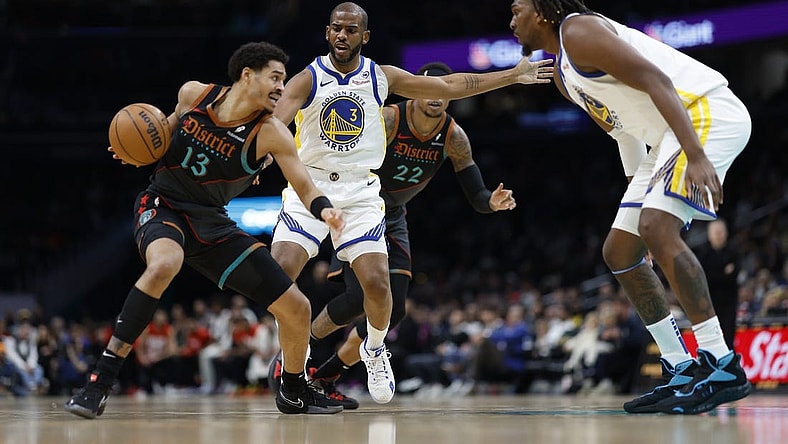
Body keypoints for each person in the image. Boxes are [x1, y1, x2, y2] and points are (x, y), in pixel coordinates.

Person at [269, 2, 550, 405]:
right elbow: (276, 123)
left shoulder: (382, 79)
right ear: (327, 33)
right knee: (279, 276)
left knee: (379, 288)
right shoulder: (309, 78)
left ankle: (373, 349)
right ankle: (297, 359)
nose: (343, 35)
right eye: (336, 28)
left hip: (362, 193)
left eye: (351, 30)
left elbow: (453, 85)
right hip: (310, 187)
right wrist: (259, 156)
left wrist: (512, 75)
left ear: (365, 37)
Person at [65, 41, 345, 419]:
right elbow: (158, 136)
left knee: (298, 307)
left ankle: (293, 389)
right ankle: (99, 381)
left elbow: (305, 186)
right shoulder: (194, 95)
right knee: (165, 263)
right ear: (247, 74)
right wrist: (133, 148)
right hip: (164, 204)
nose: (282, 87)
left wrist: (325, 210)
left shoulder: (271, 133)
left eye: (284, 80)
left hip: (213, 223)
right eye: (275, 78)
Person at [508, 0, 752, 414]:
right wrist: (639, 198)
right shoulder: (564, 75)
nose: (511, 22)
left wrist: (694, 154)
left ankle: (721, 363)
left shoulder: (579, 30)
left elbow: (655, 79)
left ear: (544, 11)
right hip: (663, 141)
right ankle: (680, 366)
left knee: (657, 227)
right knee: (620, 251)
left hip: (702, 113)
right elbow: (622, 131)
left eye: (517, 10)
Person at [694, 218, 740, 350]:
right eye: (716, 232)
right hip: (709, 305)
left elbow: (734, 275)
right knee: (711, 341)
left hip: (729, 303)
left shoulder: (733, 252)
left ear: (726, 233)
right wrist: (723, 273)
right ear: (709, 234)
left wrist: (718, 274)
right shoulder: (703, 255)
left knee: (728, 339)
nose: (719, 235)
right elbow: (705, 278)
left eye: (721, 232)